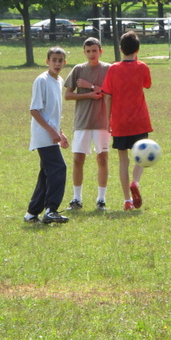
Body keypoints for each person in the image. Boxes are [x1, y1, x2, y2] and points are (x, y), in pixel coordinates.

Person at [101, 31, 153, 212]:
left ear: (121, 49)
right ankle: (135, 181)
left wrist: (108, 120)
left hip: (120, 122)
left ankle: (127, 200)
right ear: (138, 49)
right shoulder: (142, 67)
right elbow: (147, 84)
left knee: (123, 161)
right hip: (139, 121)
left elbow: (107, 96)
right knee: (142, 156)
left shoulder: (113, 69)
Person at [64, 37, 111, 211]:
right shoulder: (78, 69)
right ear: (84, 52)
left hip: (102, 121)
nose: (92, 54)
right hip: (82, 121)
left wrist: (90, 86)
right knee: (77, 159)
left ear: (101, 51)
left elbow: (109, 92)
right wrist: (88, 94)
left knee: (103, 158)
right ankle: (76, 198)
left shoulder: (108, 69)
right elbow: (68, 95)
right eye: (88, 51)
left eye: (95, 50)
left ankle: (101, 199)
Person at [24, 46, 70, 224]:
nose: (57, 63)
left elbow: (52, 113)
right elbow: (34, 110)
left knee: (46, 174)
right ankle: (51, 209)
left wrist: (60, 132)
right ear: (47, 61)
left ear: (64, 63)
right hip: (43, 135)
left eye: (60, 60)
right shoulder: (41, 80)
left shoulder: (59, 81)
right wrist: (51, 131)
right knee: (59, 168)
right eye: (54, 60)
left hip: (52, 134)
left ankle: (32, 213)